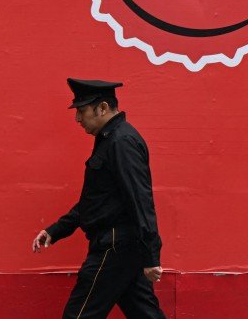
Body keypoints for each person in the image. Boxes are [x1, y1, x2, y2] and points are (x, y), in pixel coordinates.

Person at [31, 78, 166, 319]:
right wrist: (57, 229)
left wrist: (151, 255)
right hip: (122, 246)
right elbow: (96, 199)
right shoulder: (109, 139)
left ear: (102, 108)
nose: (77, 118)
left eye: (82, 111)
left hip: (113, 246)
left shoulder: (121, 142)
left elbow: (140, 199)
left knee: (79, 315)